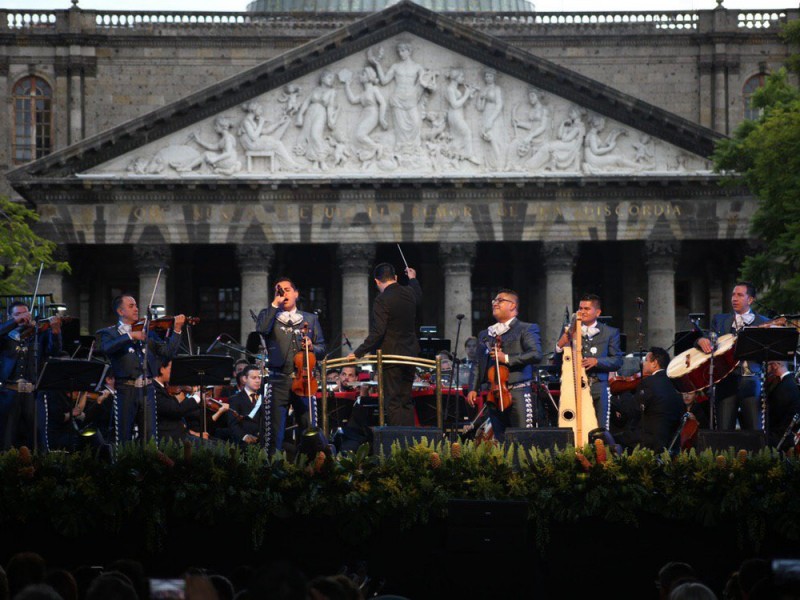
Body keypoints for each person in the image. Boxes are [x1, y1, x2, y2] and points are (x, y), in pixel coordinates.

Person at [96, 295, 184, 443]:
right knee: (124, 436)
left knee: (150, 437)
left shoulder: (147, 332)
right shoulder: (109, 333)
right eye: (131, 306)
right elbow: (105, 348)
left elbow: (167, 352)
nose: (136, 309)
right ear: (120, 311)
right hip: (126, 389)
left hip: (148, 388)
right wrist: (130, 336)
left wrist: (176, 330)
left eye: (136, 305)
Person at [347, 263, 422, 426]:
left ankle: (398, 444)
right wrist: (413, 279)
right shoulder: (409, 292)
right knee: (406, 400)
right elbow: (418, 295)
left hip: (391, 356)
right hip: (410, 355)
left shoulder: (382, 300)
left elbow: (378, 332)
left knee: (393, 401)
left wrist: (358, 352)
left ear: (376, 281)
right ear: (395, 278)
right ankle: (409, 443)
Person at [256, 277, 326, 452]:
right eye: (278, 290)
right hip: (278, 380)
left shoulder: (310, 319)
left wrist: (312, 347)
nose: (282, 293)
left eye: (286, 290)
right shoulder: (269, 315)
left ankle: (309, 469)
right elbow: (262, 330)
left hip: (304, 381)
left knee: (309, 430)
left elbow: (322, 348)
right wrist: (274, 304)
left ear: (296, 293)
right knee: (274, 433)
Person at [466, 288, 543, 439]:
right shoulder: (485, 334)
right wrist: (472, 388)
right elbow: (477, 362)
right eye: (494, 301)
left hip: (518, 392)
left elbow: (536, 354)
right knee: (500, 439)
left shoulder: (526, 328)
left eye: (500, 300)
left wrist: (507, 358)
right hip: (494, 395)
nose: (495, 303)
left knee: (523, 438)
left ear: (512, 305)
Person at [696, 282, 769, 431]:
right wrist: (700, 340)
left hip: (751, 381)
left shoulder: (764, 322)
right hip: (725, 381)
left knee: (755, 432)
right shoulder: (720, 320)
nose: (734, 298)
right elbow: (708, 337)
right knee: (723, 430)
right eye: (733, 294)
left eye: (740, 295)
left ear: (750, 300)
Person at [555, 293, 623, 429]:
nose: (582, 312)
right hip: (574, 386)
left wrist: (597, 361)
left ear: (597, 312)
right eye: (580, 308)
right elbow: (557, 361)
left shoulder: (610, 332)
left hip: (599, 385)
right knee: (575, 426)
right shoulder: (570, 330)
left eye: (587, 309)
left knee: (601, 427)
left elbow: (617, 361)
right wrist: (559, 345)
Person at [0, 301, 62, 450]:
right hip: (9, 393)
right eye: (18, 314)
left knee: (36, 436)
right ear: (10, 316)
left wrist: (55, 332)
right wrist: (15, 322)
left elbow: (54, 351)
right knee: (6, 437)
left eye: (25, 314)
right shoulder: (5, 337)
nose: (23, 318)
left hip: (32, 394)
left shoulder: (36, 335)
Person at [615, 347, 684, 452]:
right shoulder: (675, 383)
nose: (643, 363)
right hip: (671, 442)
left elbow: (632, 410)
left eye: (646, 360)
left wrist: (618, 396)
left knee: (612, 438)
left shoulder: (649, 382)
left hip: (651, 441)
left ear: (654, 363)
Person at [151, 358, 204, 444]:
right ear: (162, 369)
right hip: (171, 439)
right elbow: (176, 410)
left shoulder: (163, 387)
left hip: (181, 435)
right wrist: (196, 397)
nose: (174, 372)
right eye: (171, 369)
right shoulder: (154, 389)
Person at [226, 365, 267, 448]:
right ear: (244, 379)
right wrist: (244, 437)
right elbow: (233, 424)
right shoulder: (235, 399)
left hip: (264, 442)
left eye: (259, 378)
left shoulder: (264, 398)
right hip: (244, 443)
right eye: (254, 378)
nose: (257, 381)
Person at [765, 360, 800, 448]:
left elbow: (778, 412)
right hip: (783, 432)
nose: (767, 368)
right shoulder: (788, 381)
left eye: (769, 364)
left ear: (776, 365)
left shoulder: (785, 385)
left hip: (780, 435)